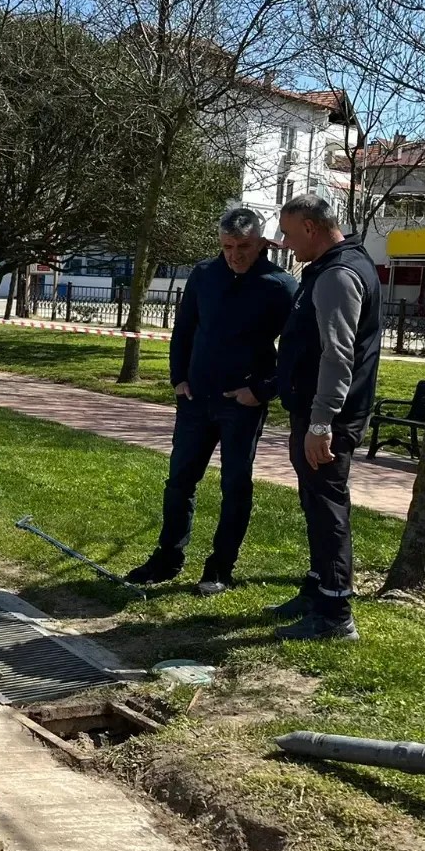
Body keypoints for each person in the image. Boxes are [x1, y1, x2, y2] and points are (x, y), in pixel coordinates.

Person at [125, 207, 298, 594]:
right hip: (195, 399)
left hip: (242, 404)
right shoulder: (204, 275)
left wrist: (262, 390)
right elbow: (184, 329)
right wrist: (178, 379)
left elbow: (294, 352)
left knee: (235, 486)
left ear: (261, 243)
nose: (235, 254)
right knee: (180, 481)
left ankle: (220, 567)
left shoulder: (280, 286)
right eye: (227, 246)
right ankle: (167, 557)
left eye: (243, 246)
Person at [270, 192, 383, 641]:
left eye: (290, 233)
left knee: (328, 508)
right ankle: (318, 588)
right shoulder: (338, 264)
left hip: (330, 418)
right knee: (315, 506)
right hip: (318, 410)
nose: (287, 243)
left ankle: (336, 614)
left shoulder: (338, 275)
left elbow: (338, 355)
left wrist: (321, 423)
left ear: (312, 229)